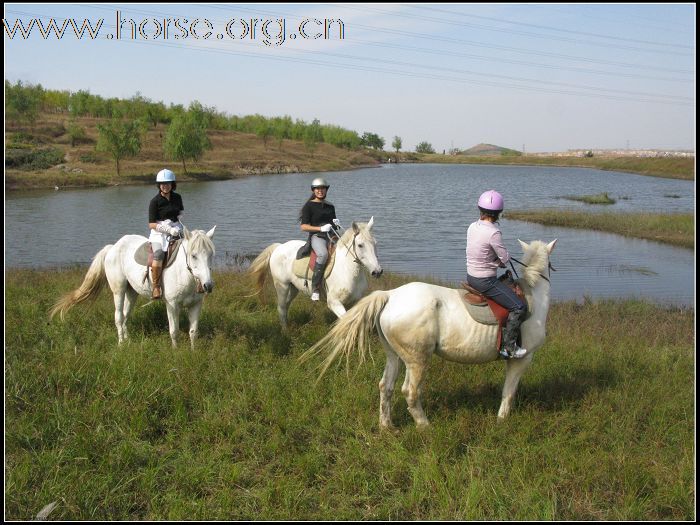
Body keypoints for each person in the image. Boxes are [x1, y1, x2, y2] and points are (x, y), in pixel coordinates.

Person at [466, 190, 528, 359]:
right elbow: (505, 258)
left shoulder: (472, 226)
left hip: (471, 276)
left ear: (480, 209)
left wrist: (494, 260)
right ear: (498, 213)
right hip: (485, 280)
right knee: (519, 306)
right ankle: (509, 348)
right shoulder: (494, 232)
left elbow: (480, 251)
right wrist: (501, 261)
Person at [299, 177, 340, 301]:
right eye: (317, 189)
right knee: (322, 254)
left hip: (332, 236)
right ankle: (315, 288)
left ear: (326, 190)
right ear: (313, 190)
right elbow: (303, 227)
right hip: (317, 237)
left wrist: (336, 224)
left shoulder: (330, 206)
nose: (320, 191)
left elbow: (333, 225)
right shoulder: (309, 206)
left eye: (322, 188)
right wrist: (320, 229)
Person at [148, 168, 184, 299]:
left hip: (176, 229)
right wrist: (168, 229)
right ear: (159, 185)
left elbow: (179, 213)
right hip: (159, 233)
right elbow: (151, 224)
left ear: (172, 184)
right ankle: (156, 287)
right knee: (158, 254)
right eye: (162, 184)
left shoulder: (177, 197)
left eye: (168, 183)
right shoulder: (155, 201)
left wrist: (180, 222)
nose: (165, 186)